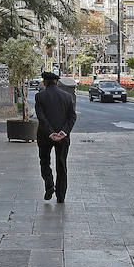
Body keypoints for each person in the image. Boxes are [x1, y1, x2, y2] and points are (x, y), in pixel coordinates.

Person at [34, 70, 76, 203]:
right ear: (57, 82)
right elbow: (72, 117)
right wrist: (63, 132)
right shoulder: (68, 96)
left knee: (44, 161)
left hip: (45, 136)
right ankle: (61, 196)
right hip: (63, 138)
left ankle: (49, 184)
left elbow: (41, 117)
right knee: (62, 164)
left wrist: (51, 133)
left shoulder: (40, 96)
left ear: (45, 82)